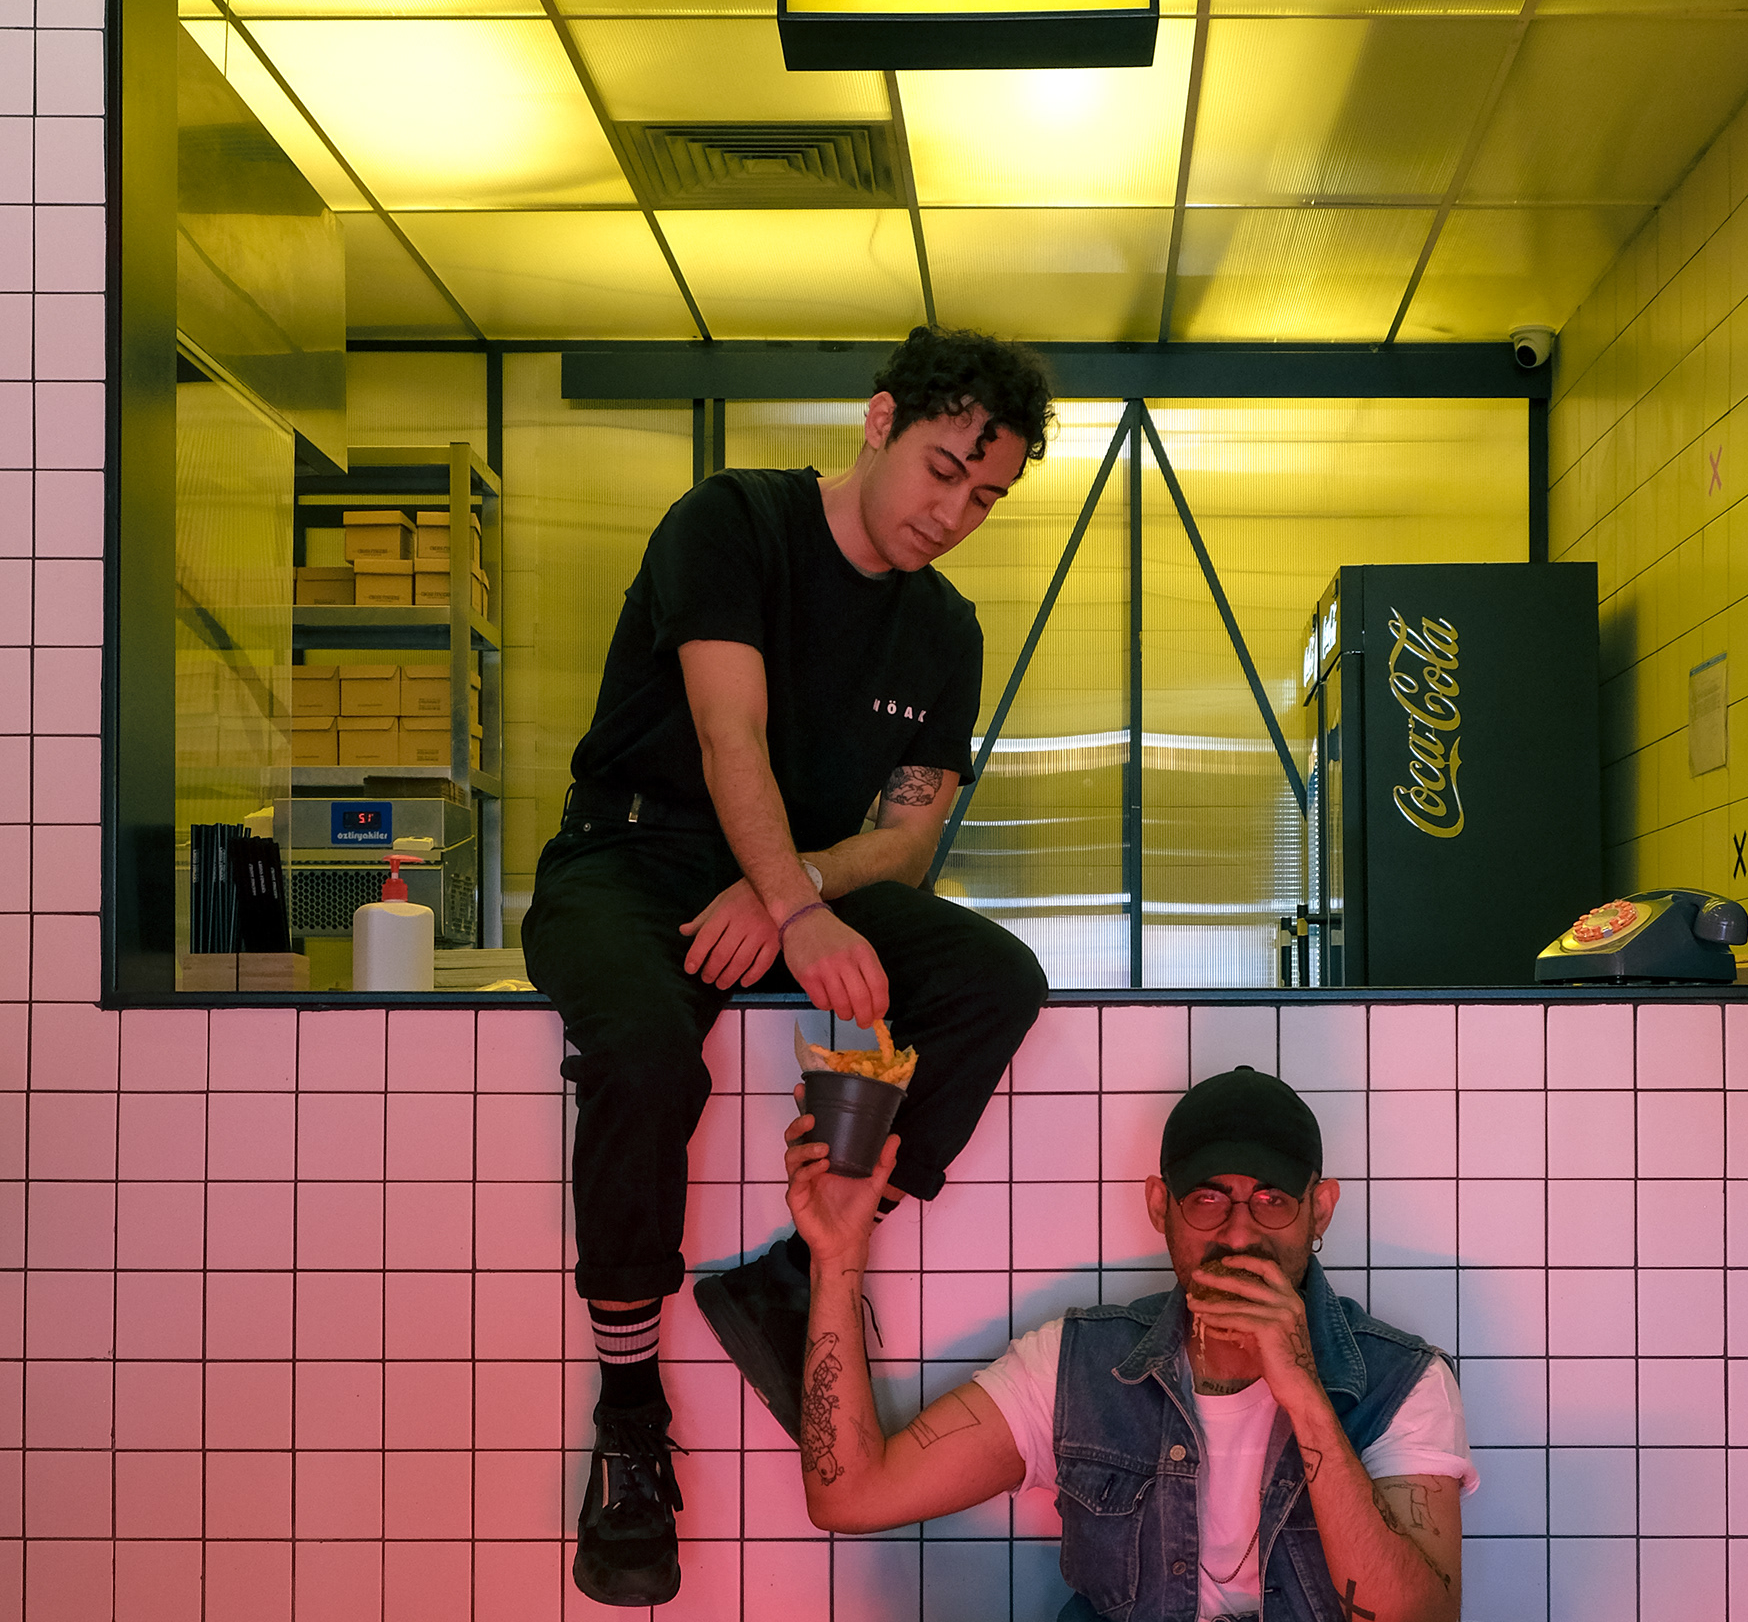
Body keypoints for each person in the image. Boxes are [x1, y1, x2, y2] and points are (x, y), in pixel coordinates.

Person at [521, 325, 1055, 1607]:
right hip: (629, 864)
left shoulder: (945, 629)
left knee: (995, 981)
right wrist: (794, 907)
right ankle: (630, 1413)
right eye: (943, 471)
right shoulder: (732, 524)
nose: (955, 514)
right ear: (879, 421)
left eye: (987, 496)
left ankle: (807, 1267)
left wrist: (796, 890)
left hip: (791, 879)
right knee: (645, 1051)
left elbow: (909, 841)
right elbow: (730, 734)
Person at [785, 1066, 1478, 1622]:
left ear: (1318, 1210)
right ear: (1159, 1206)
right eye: (1207, 1198)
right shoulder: (1078, 1367)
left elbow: (1420, 1617)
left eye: (1272, 1200)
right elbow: (851, 1496)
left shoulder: (1402, 1382)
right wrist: (838, 1256)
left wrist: (1304, 1394)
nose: (1239, 1234)